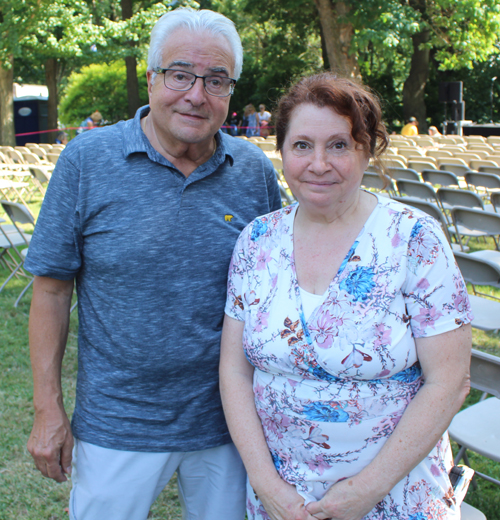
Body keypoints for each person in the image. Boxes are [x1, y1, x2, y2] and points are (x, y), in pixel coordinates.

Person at [25, 7, 281, 520]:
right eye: (180, 74)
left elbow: (278, 291)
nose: (196, 94)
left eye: (215, 80)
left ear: (230, 91)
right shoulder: (87, 160)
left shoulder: (253, 171)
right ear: (150, 78)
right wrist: (47, 408)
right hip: (119, 421)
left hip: (232, 423)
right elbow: (51, 290)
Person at [220, 73, 473, 520]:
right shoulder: (256, 241)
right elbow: (234, 372)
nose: (318, 163)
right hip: (282, 500)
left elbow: (449, 383)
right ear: (281, 151)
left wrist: (365, 491)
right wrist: (266, 483)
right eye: (302, 145)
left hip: (394, 495)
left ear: (367, 148)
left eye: (338, 144)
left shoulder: (416, 241)